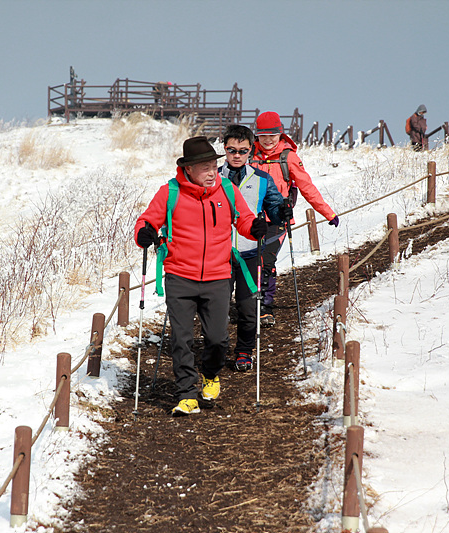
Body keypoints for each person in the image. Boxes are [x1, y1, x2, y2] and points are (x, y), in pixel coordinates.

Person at [135, 136, 268, 416]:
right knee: (181, 339)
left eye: (213, 166)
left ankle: (210, 373)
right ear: (189, 170)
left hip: (218, 276)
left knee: (218, 338)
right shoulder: (170, 192)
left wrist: (254, 227)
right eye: (205, 168)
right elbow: (146, 220)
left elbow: (243, 219)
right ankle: (186, 394)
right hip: (179, 276)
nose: (211, 173)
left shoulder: (227, 190)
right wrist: (144, 233)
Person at [250, 111, 339, 326]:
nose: (268, 140)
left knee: (266, 261)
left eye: (273, 135)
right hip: (250, 220)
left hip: (278, 220)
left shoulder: (288, 157)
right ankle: (248, 303)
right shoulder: (248, 155)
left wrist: (328, 213)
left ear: (280, 134)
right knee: (249, 262)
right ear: (257, 136)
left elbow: (307, 187)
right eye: (263, 135)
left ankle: (265, 307)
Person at [218, 125, 284, 371]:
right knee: (218, 308)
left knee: (247, 308)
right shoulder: (213, 177)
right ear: (224, 149)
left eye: (243, 151)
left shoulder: (261, 178)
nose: (237, 155)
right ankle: (217, 348)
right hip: (218, 255)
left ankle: (244, 351)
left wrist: (282, 212)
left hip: (249, 254)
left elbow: (275, 209)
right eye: (231, 150)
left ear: (250, 151)